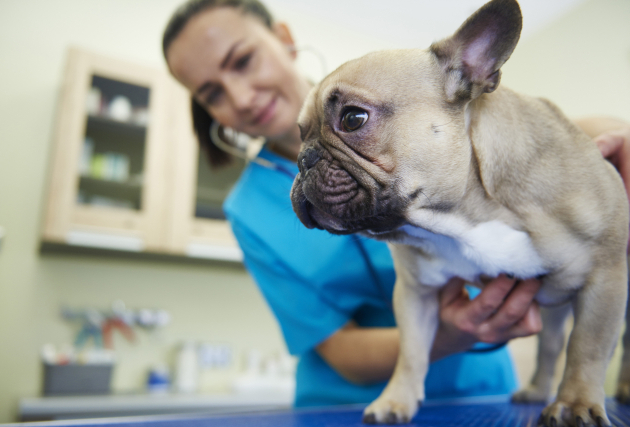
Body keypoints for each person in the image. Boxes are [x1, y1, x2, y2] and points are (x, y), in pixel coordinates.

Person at [162, 0, 630, 407]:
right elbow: (338, 349)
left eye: (242, 61)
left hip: (483, 391)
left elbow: (518, 139)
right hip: (350, 405)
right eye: (212, 94)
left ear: (283, 38)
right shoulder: (247, 209)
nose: (241, 97)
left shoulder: (409, 88)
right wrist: (448, 334)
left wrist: (604, 134)